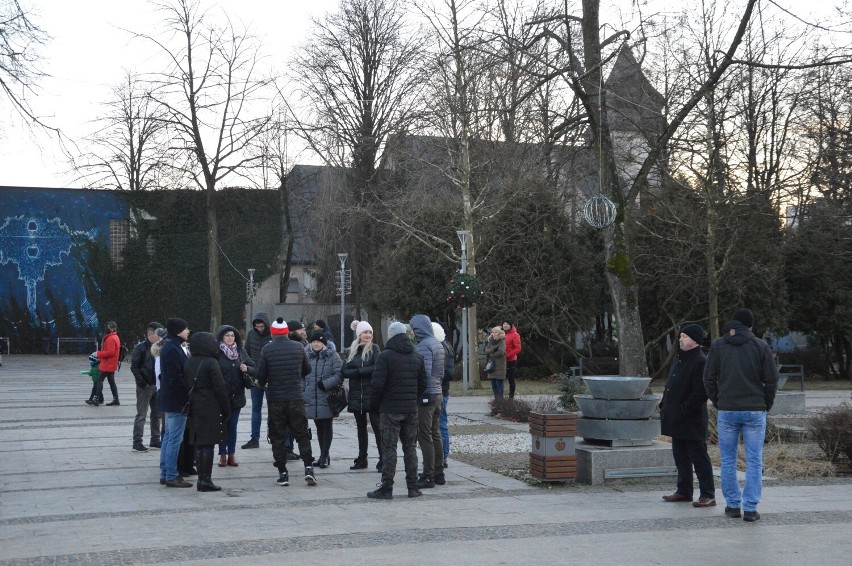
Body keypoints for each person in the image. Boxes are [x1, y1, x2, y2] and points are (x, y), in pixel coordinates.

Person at [704, 308, 779, 522]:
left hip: (727, 409)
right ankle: (751, 507)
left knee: (727, 459)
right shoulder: (760, 346)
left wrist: (718, 401)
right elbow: (772, 380)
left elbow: (708, 379)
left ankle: (733, 505)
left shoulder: (718, 346)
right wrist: (766, 403)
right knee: (754, 460)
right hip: (755, 409)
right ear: (750, 326)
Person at [368, 321, 428, 500]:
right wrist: (413, 397)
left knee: (389, 449)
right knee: (410, 448)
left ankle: (387, 488)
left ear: (391, 336)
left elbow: (377, 384)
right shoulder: (416, 356)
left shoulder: (386, 356)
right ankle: (412, 487)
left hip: (390, 409)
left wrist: (376, 405)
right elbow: (423, 383)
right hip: (410, 409)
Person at [255, 317, 317, 487]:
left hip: (276, 399)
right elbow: (307, 369)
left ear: (273, 333)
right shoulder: (298, 347)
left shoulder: (267, 349)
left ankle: (283, 472)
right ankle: (309, 468)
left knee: (277, 436)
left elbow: (261, 376)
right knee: (302, 433)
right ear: (286, 332)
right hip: (295, 397)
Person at [660, 324, 715, 508]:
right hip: (677, 418)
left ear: (695, 340)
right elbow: (672, 383)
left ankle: (708, 493)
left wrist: (684, 410)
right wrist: (664, 404)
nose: (680, 339)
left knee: (699, 457)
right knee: (680, 456)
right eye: (680, 336)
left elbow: (700, 393)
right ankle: (684, 490)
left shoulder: (700, 361)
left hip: (691, 419)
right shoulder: (680, 358)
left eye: (684, 336)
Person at [184, 332, 231, 492]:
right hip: (210, 405)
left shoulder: (189, 362)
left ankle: (201, 479)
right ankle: (206, 479)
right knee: (208, 444)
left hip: (195, 405)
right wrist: (226, 408)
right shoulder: (211, 362)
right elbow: (220, 387)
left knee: (199, 443)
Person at [409, 314, 445, 489]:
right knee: (435, 433)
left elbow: (425, 372)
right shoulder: (438, 343)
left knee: (425, 436)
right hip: (438, 393)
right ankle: (439, 473)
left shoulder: (424, 346)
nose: (413, 332)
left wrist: (417, 390)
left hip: (426, 395)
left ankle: (428, 475)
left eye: (414, 328)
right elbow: (440, 372)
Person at [342, 320, 382, 471]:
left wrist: (358, 372)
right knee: (361, 429)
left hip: (372, 394)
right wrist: (359, 372)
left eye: (370, 332)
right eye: (365, 332)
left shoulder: (375, 349)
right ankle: (362, 458)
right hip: (356, 395)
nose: (368, 335)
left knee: (378, 428)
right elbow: (344, 371)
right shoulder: (351, 350)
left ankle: (383, 458)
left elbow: (377, 367)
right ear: (359, 334)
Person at [158, 318, 193, 488]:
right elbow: (175, 377)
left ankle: (166, 472)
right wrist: (187, 394)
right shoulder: (172, 349)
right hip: (176, 401)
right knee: (174, 439)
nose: (188, 331)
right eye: (186, 329)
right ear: (178, 331)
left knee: (168, 437)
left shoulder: (171, 346)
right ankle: (171, 475)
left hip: (170, 399)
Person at [216, 325, 255, 467]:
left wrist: (247, 368)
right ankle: (222, 455)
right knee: (222, 426)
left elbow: (254, 368)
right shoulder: (217, 352)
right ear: (221, 337)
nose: (230, 338)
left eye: (232, 335)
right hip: (222, 396)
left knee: (232, 426)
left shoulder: (240, 351)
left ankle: (231, 454)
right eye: (227, 335)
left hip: (237, 396)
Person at [305, 331, 343, 469]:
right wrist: (304, 391)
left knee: (326, 425)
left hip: (327, 397)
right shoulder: (307, 356)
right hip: (312, 397)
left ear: (324, 344)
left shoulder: (333, 356)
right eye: (314, 341)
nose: (316, 344)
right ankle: (322, 454)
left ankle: (325, 455)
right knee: (318, 426)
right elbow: (302, 375)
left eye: (319, 342)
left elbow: (339, 374)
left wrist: (326, 384)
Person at [130, 322, 163, 452]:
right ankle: (137, 442)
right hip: (145, 386)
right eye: (158, 334)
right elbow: (134, 367)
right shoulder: (141, 348)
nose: (160, 337)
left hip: (157, 385)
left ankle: (155, 440)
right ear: (150, 334)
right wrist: (141, 382)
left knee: (157, 414)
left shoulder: (160, 347)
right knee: (141, 415)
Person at [242, 312, 272, 450]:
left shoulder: (273, 335)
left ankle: (273, 435)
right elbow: (246, 351)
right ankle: (255, 438)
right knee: (255, 408)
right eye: (257, 326)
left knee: (273, 409)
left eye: (261, 326)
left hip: (271, 378)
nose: (259, 328)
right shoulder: (251, 334)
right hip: (255, 376)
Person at [434, 322, 454, 469]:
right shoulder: (446, 346)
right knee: (440, 424)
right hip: (442, 389)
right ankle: (442, 455)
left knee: (440, 424)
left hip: (440, 390)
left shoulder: (442, 348)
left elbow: (448, 373)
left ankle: (443, 456)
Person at [87, 321, 121, 406]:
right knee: (111, 382)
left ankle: (97, 399)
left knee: (99, 380)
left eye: (108, 327)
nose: (106, 329)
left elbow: (110, 352)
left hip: (107, 364)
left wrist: (98, 354)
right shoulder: (115, 337)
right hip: (112, 363)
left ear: (112, 328)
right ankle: (116, 399)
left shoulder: (110, 338)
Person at [502, 320, 521, 399]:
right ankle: (498, 398)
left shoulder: (515, 335)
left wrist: (507, 356)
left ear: (511, 325)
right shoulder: (501, 334)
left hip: (511, 360)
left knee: (511, 379)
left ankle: (511, 398)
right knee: (499, 379)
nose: (505, 325)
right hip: (500, 361)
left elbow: (518, 348)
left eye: (507, 324)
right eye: (504, 324)